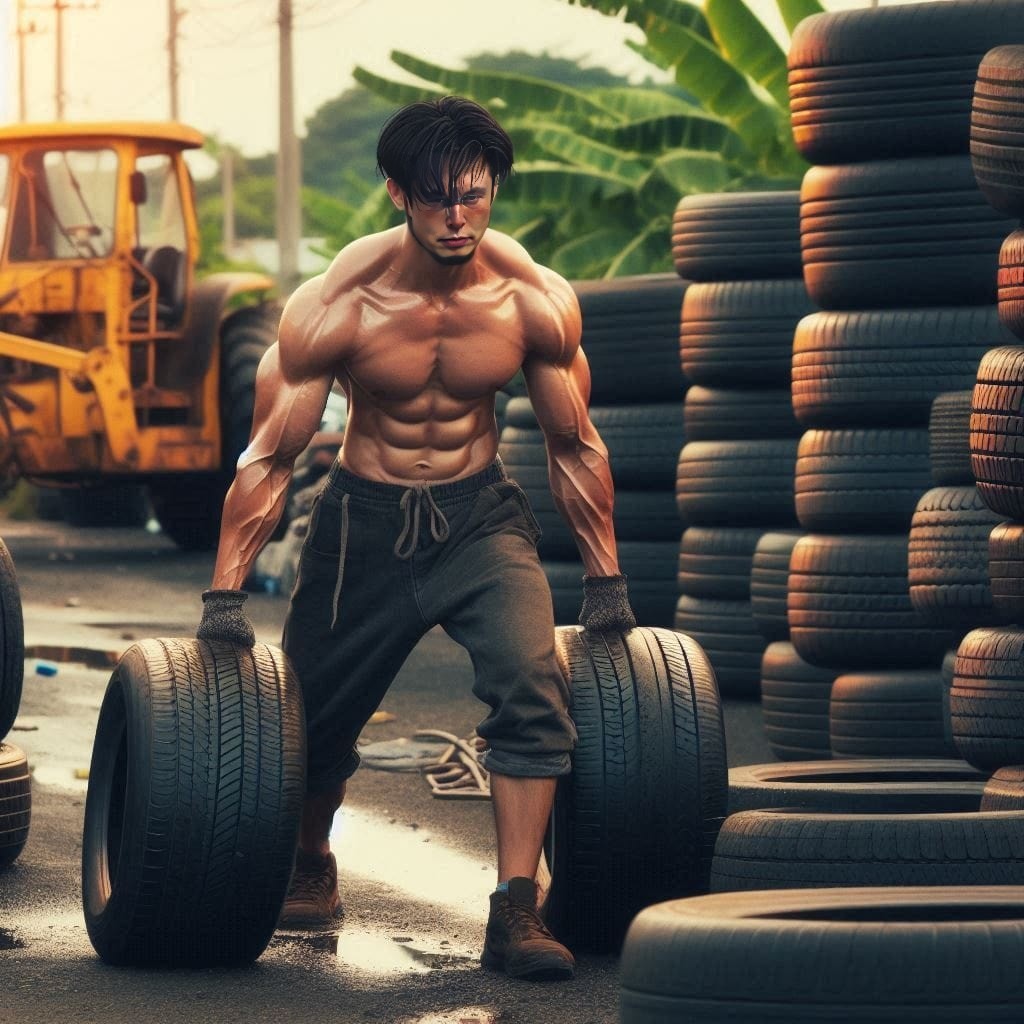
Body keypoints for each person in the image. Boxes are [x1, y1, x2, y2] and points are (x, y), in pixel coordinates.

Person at [196, 96, 636, 982]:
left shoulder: (532, 300)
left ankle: (516, 908)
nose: (457, 216)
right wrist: (224, 593)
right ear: (397, 192)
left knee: (530, 689)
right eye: (436, 198)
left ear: (493, 188)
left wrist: (607, 579)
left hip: (481, 517)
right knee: (312, 723)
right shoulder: (336, 305)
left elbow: (573, 442)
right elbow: (271, 453)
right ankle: (312, 857)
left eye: (473, 196)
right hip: (364, 522)